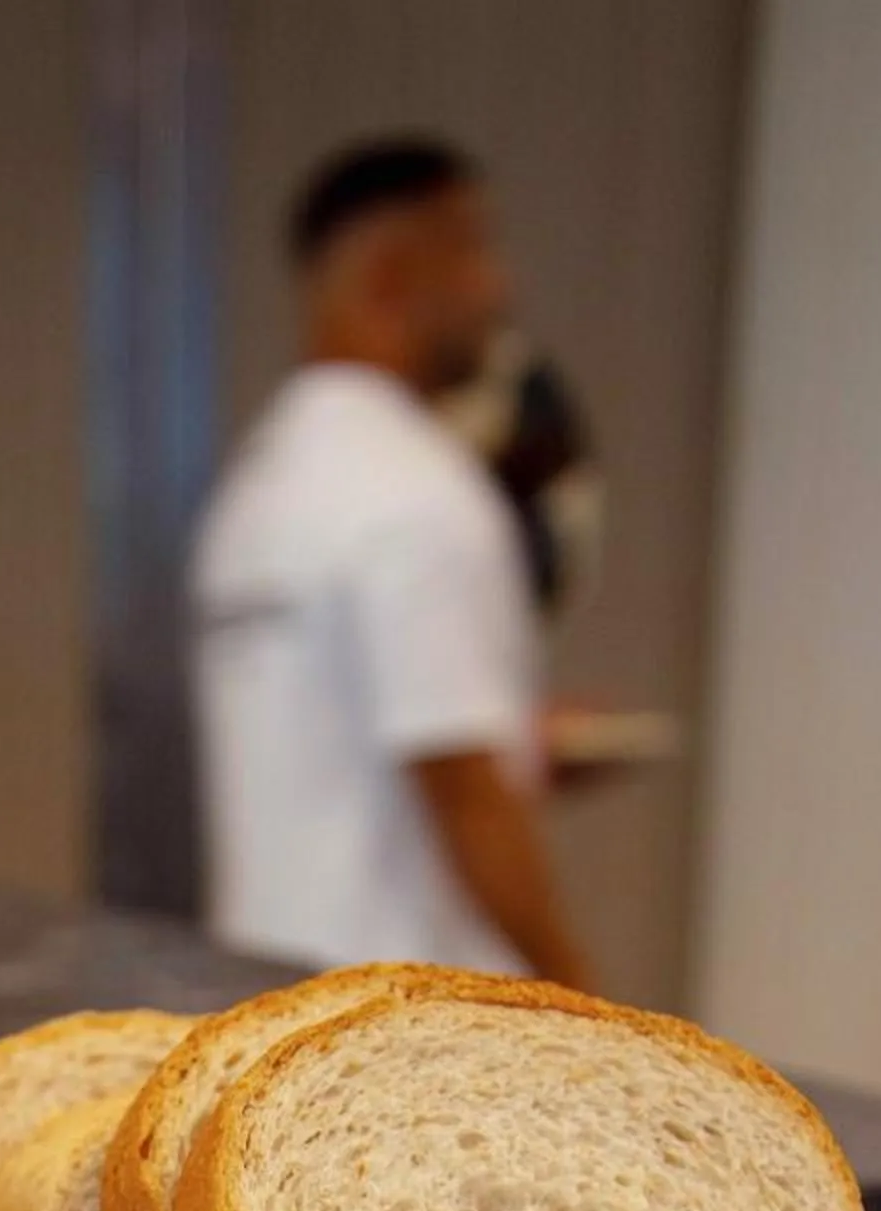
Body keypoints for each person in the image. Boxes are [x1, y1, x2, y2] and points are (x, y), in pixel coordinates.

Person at [191, 138, 590, 988]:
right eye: (476, 248)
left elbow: (334, 741)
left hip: (272, 1001)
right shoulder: (418, 493)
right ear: (392, 272)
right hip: (412, 1029)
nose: (501, 288)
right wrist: (591, 1011)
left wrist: (520, 743)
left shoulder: (255, 492)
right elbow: (462, 792)